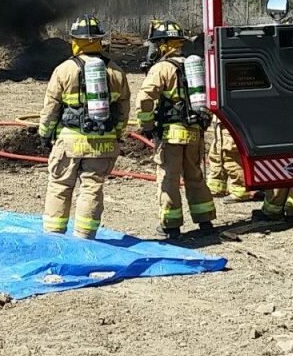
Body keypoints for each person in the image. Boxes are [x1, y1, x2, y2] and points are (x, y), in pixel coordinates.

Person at [39, 15, 131, 240]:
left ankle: (54, 236)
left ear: (75, 41)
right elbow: (123, 110)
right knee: (92, 188)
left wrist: (44, 133)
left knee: (60, 186)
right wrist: (116, 134)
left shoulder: (64, 70)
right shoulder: (116, 72)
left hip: (70, 141)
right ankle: (85, 236)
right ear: (99, 40)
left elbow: (51, 107)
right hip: (103, 142)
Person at [135, 19, 216, 238]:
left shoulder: (162, 68)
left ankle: (171, 227)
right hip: (194, 133)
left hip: (171, 135)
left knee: (168, 179)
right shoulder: (195, 67)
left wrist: (147, 125)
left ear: (163, 44)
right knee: (195, 177)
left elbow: (144, 100)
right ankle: (205, 222)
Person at [206, 124, 255, 201]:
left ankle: (240, 190)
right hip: (221, 126)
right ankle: (217, 187)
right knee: (216, 155)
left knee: (232, 159)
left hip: (232, 125)